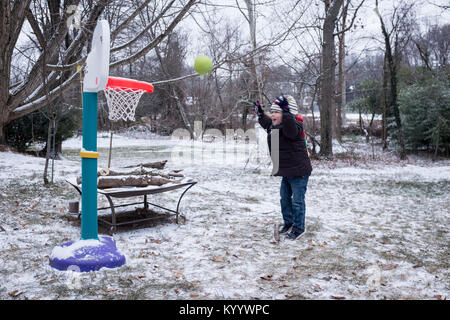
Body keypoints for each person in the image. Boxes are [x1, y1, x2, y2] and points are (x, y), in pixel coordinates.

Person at [254, 95, 312, 240]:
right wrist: (261, 114)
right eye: (272, 112)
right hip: (287, 171)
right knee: (284, 198)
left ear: (287, 113)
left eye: (276, 112)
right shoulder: (275, 126)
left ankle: (299, 228)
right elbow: (267, 123)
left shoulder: (295, 126)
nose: (272, 114)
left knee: (297, 201)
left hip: (299, 171)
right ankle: (289, 222)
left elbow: (290, 129)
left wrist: (286, 114)